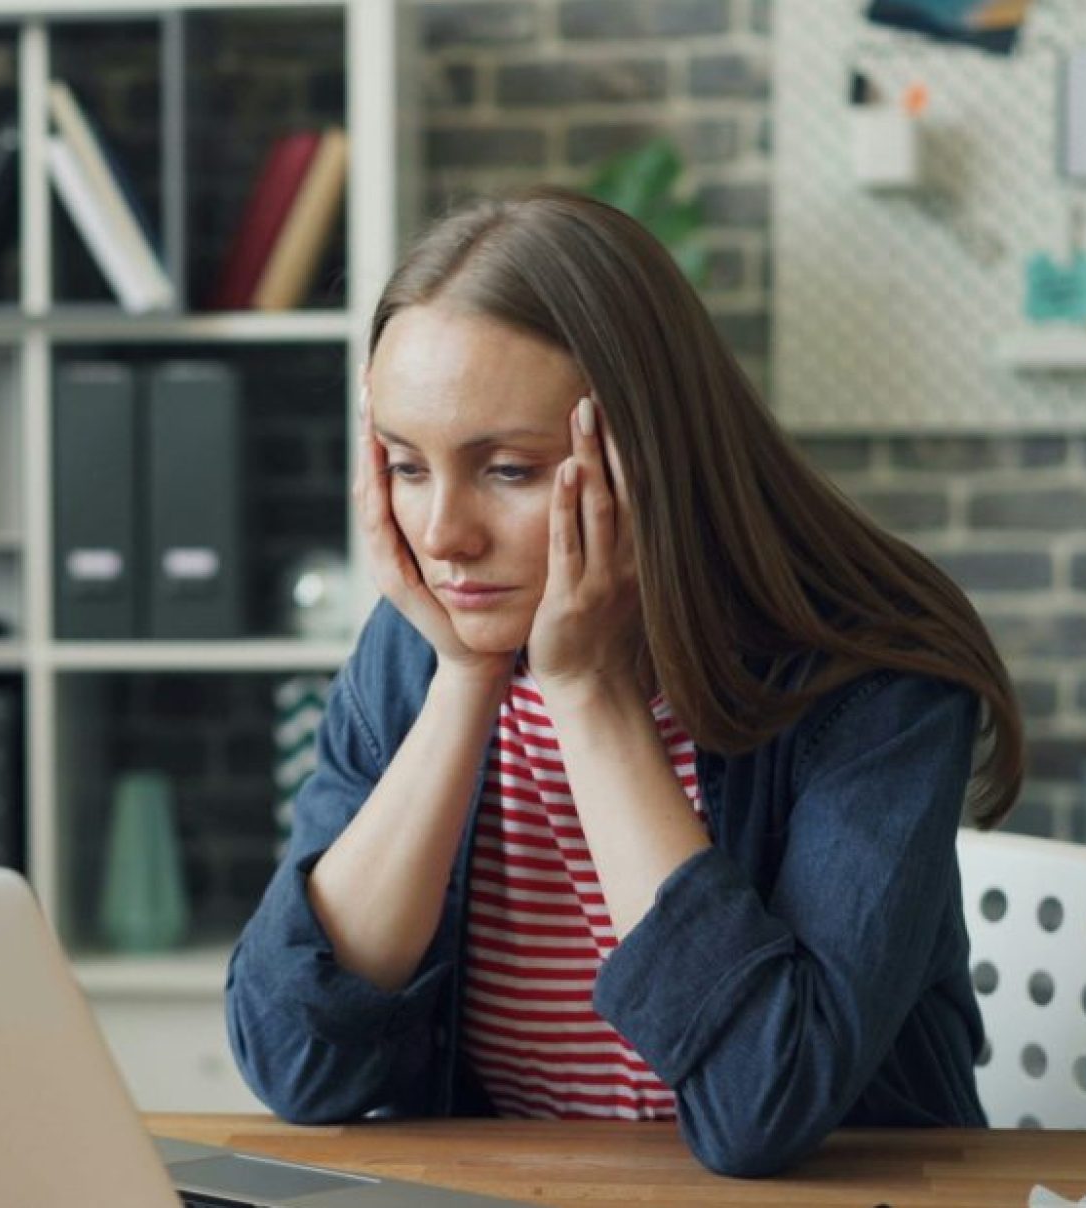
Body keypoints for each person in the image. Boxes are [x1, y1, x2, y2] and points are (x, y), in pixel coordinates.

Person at [225, 186, 1023, 1179]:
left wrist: (592, 694)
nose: (442, 536)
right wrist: (465, 680)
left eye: (508, 470)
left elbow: (760, 1105)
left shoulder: (872, 675)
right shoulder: (421, 648)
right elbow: (295, 1059)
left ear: (653, 453)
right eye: (405, 465)